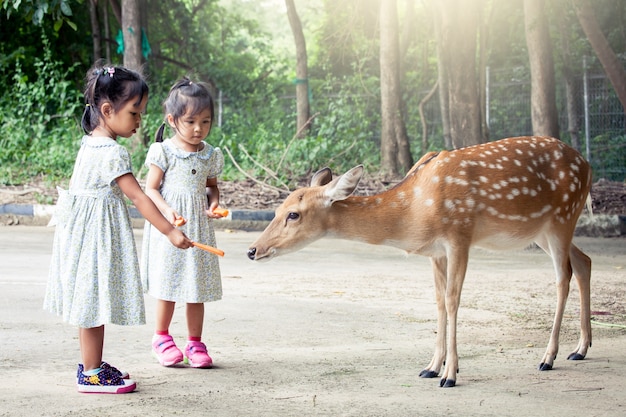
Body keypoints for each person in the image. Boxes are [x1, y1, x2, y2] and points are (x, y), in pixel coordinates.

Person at [44, 64, 193, 394]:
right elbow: (139, 198)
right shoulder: (112, 152)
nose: (139, 122)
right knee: (93, 304)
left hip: (81, 237)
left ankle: (92, 365)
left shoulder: (90, 143)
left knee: (91, 303)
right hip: (94, 240)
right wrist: (169, 231)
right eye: (134, 113)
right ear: (107, 110)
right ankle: (92, 373)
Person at [141, 77, 224, 369]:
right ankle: (161, 338)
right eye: (190, 122)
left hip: (198, 226)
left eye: (205, 121)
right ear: (172, 120)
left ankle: (194, 343)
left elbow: (211, 187)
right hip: (169, 227)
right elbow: (150, 189)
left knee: (195, 287)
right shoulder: (163, 151)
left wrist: (213, 204)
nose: (198, 129)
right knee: (169, 284)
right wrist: (168, 212)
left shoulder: (210, 154)